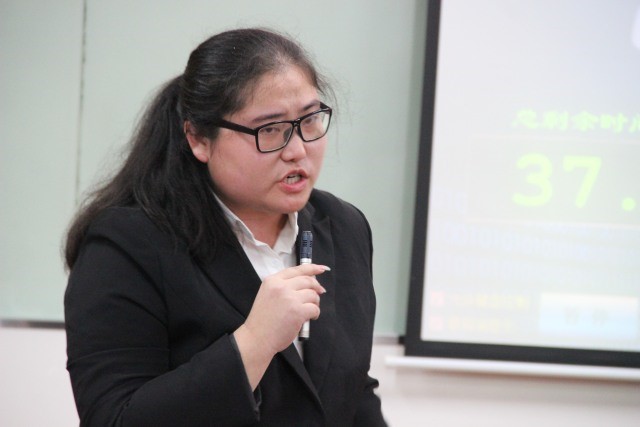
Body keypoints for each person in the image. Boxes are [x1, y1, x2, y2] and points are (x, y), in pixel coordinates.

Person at [64, 28, 386, 426]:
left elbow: (351, 391)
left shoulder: (343, 226)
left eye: (310, 120)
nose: (297, 149)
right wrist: (254, 341)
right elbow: (114, 419)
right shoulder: (127, 244)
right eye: (270, 129)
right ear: (199, 138)